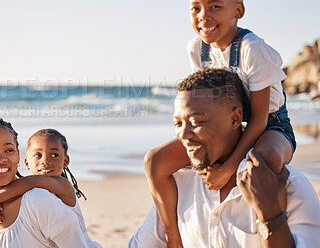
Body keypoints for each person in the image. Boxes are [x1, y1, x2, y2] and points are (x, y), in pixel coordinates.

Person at [144, 0, 296, 246]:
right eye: (195, 7)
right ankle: (175, 240)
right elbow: (203, 106)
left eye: (215, 6)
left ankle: (273, 234)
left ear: (238, 10)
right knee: (155, 161)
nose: (204, 16)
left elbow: (261, 119)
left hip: (270, 127)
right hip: (227, 127)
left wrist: (227, 168)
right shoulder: (197, 49)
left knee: (262, 163)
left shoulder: (253, 50)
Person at [129, 69, 320, 247]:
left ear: (236, 119)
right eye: (178, 123)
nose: (183, 134)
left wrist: (270, 213)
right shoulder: (178, 188)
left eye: (196, 122)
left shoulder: (292, 187)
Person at [0, 118, 89, 247]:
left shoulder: (40, 198)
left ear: (18, 155)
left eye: (9, 150)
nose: (0, 159)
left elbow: (31, 181)